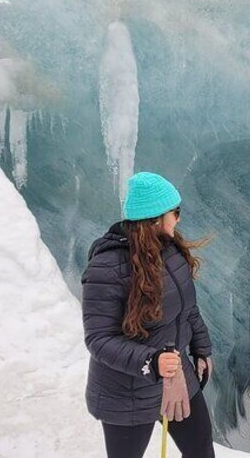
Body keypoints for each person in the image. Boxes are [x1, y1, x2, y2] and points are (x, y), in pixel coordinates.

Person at [82, 171, 215, 457]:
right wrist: (151, 362)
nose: (178, 219)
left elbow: (187, 310)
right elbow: (99, 339)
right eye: (175, 212)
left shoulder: (171, 252)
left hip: (177, 376)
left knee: (201, 450)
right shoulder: (107, 267)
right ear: (155, 218)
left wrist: (202, 349)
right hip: (126, 390)